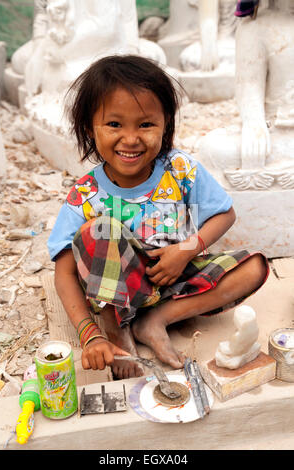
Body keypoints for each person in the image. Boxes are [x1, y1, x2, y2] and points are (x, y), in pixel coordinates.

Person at [47, 55, 269, 379]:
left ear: (166, 124)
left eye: (145, 124)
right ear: (88, 128)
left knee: (255, 266)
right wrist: (87, 332)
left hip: (172, 278)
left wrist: (188, 249)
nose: (131, 138)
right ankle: (116, 330)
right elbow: (64, 272)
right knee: (99, 230)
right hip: (117, 293)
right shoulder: (87, 193)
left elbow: (225, 214)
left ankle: (156, 320)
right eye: (114, 124)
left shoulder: (179, 169)